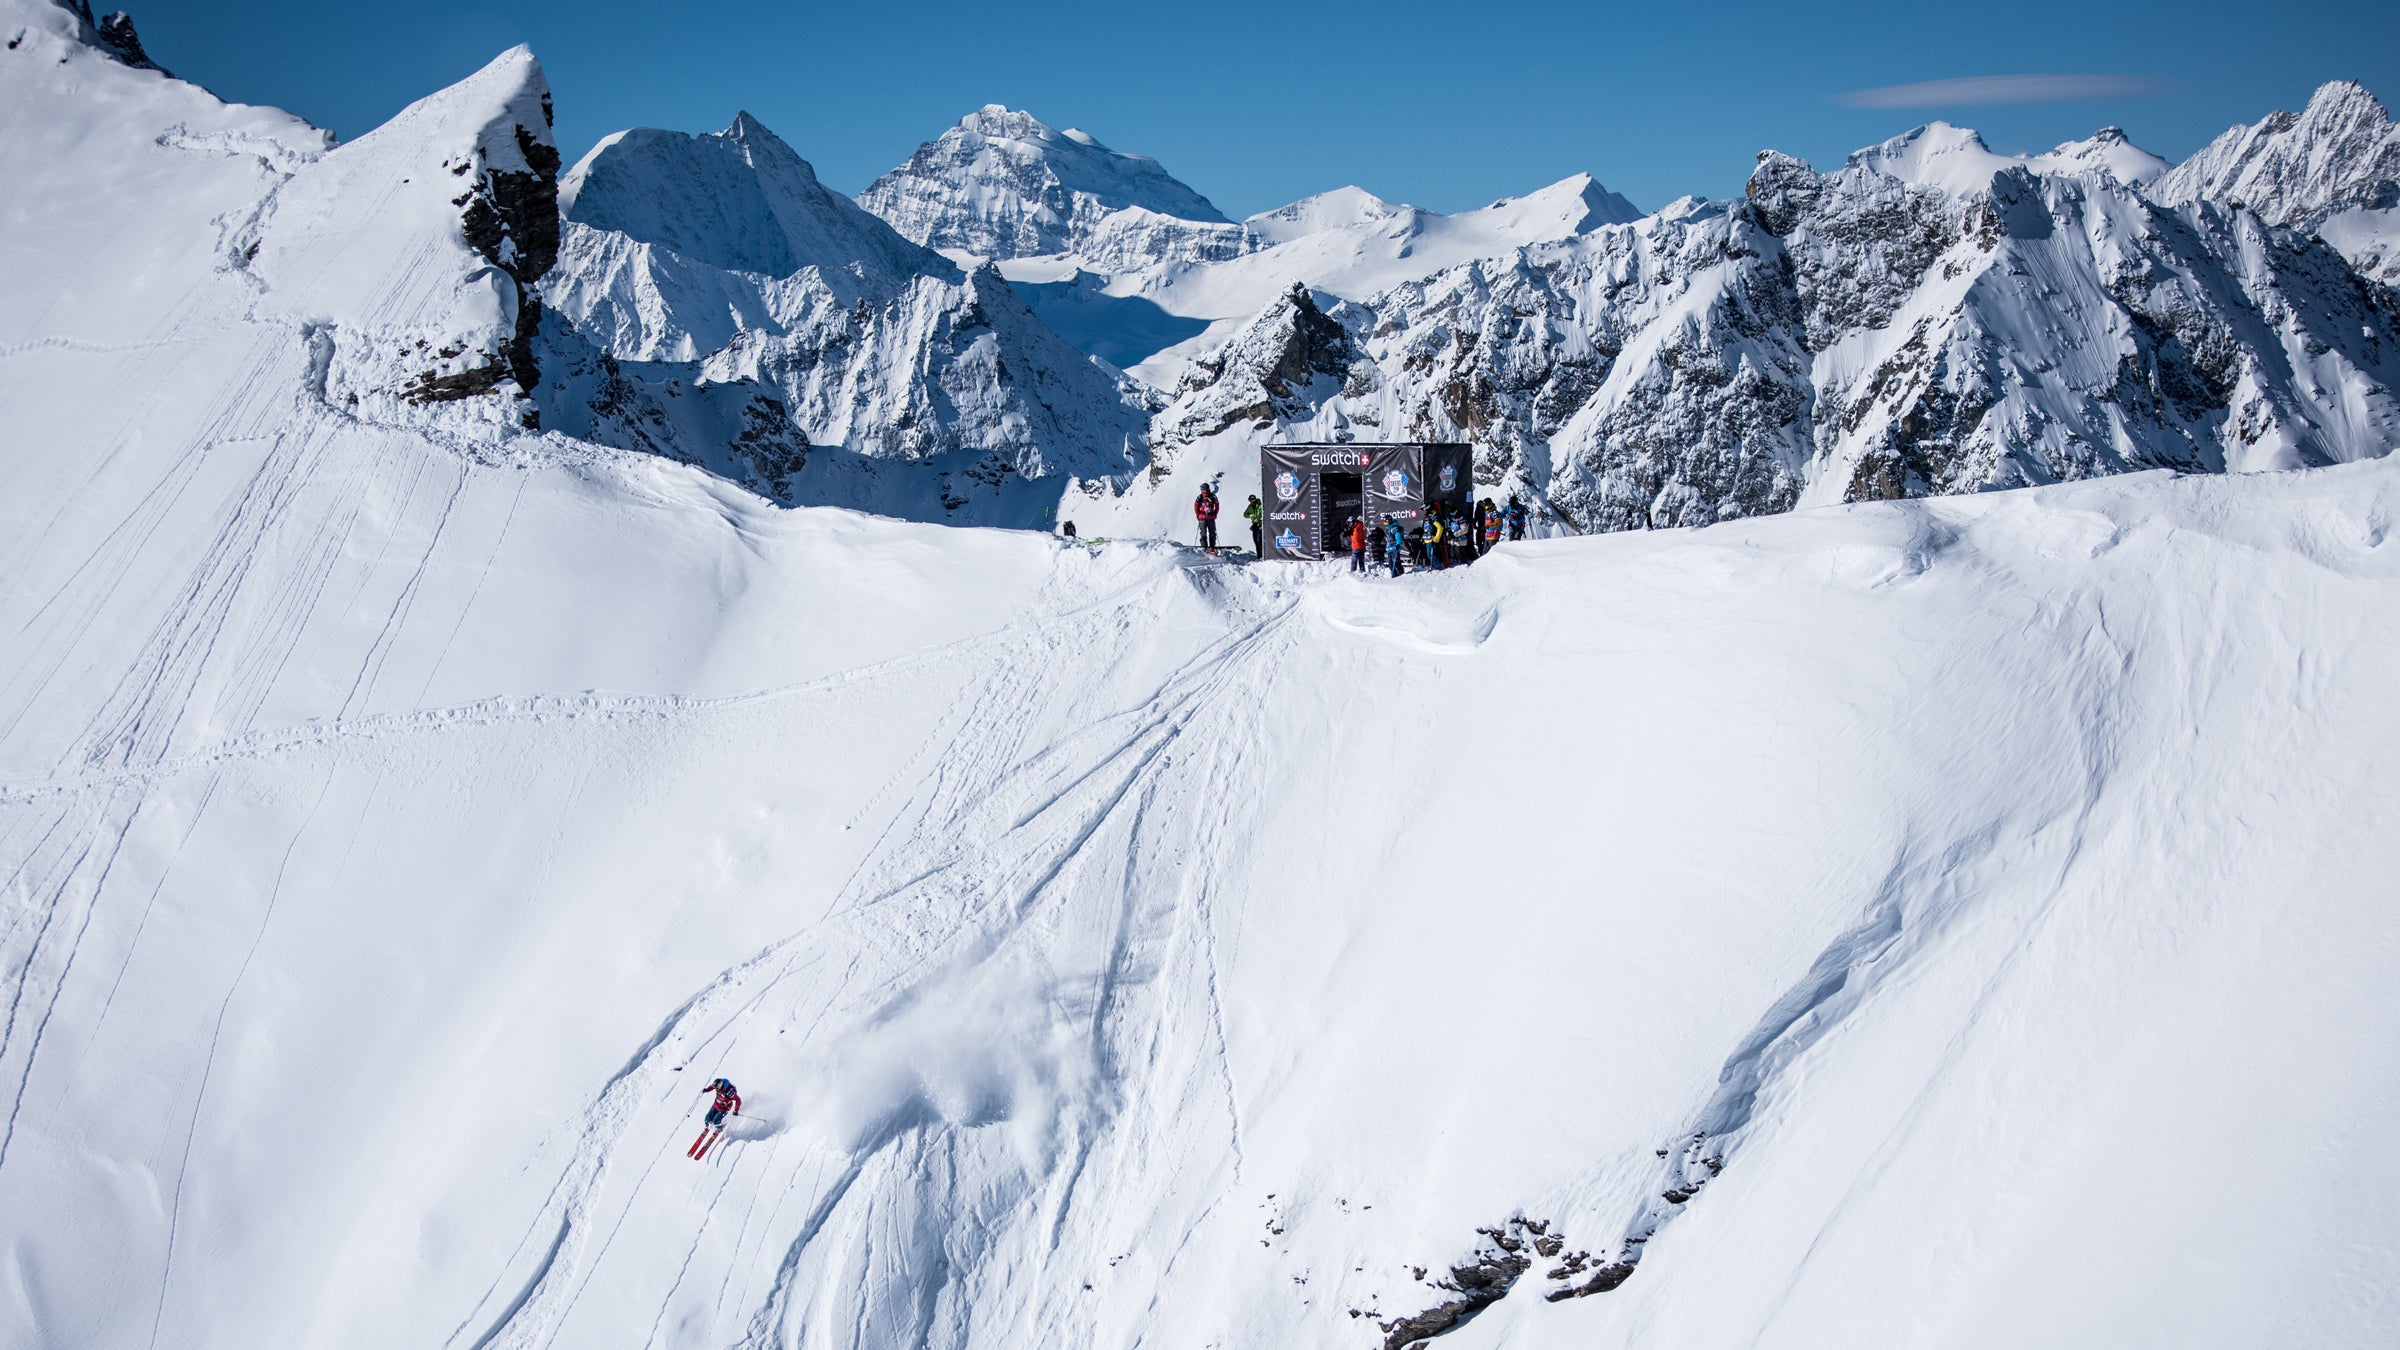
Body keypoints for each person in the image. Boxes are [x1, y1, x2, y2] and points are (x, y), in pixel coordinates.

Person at [689, 1077, 742, 1160]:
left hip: (724, 1108)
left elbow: (738, 1100)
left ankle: (719, 1128)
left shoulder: (729, 1092)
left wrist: (736, 1110)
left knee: (716, 1120)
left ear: (721, 1087)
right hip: (716, 1104)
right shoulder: (718, 1085)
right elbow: (712, 1086)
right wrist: (707, 1090)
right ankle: (709, 1125)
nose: (716, 1090)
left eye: (717, 1089)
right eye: (715, 1088)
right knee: (707, 1118)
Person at [1194, 483, 1220, 551]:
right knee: (1210, 533)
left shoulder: (1201, 496)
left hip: (1204, 517)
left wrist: (1198, 515)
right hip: (1208, 517)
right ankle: (1210, 547)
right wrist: (1215, 514)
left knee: (1204, 533)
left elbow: (1196, 506)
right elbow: (1217, 505)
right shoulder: (1210, 496)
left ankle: (1205, 547)